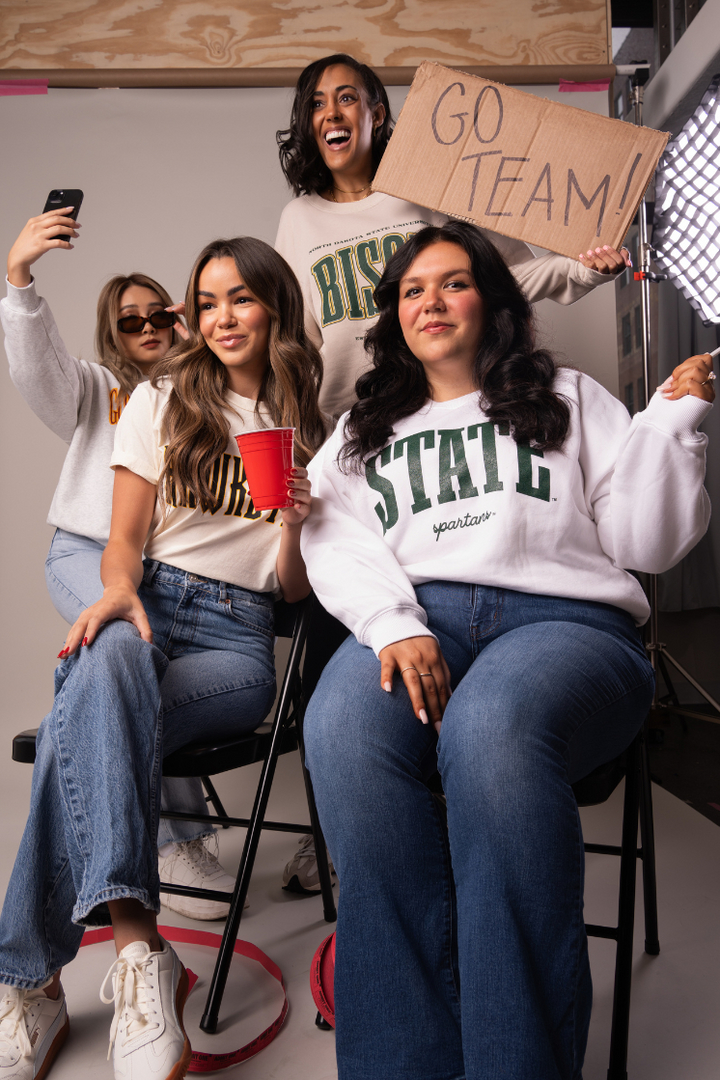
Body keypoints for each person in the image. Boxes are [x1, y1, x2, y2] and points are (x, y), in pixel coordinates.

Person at [299, 221, 713, 1080]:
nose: (431, 301)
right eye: (412, 290)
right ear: (393, 317)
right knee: (340, 726)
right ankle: (404, 1062)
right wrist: (396, 624)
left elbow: (647, 539)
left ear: (492, 300)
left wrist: (674, 425)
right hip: (420, 619)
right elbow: (334, 539)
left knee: (488, 729)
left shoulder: (568, 394)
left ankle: (516, 1063)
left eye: (452, 283)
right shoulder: (360, 429)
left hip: (569, 625)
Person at [0, 237, 325, 1080]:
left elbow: (292, 593)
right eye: (207, 302)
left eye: (240, 299)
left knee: (83, 710)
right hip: (150, 600)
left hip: (235, 636)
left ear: (275, 307)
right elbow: (124, 543)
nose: (221, 317)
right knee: (109, 664)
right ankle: (142, 954)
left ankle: (29, 978)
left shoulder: (310, 424)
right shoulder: (160, 400)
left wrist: (293, 524)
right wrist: (115, 592)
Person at [0, 209, 241, 921]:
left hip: (161, 569)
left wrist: (201, 341)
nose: (144, 326)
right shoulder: (93, 387)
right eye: (128, 318)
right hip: (84, 551)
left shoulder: (204, 396)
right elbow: (36, 367)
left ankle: (83, 731)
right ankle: (176, 838)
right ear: (113, 330)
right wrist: (20, 280)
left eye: (157, 314)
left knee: (134, 671)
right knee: (129, 647)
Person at [275, 53, 631, 421]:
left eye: (346, 98)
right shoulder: (298, 220)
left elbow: (508, 280)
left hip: (443, 412)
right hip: (350, 424)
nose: (331, 112)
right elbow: (294, 344)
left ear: (376, 115)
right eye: (317, 103)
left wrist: (584, 267)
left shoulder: (427, 191)